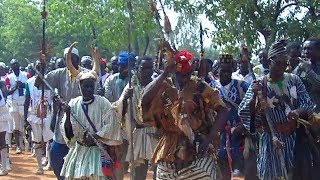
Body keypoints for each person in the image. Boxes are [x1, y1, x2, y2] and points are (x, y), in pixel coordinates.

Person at [141, 47, 229, 179]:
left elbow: (223, 111)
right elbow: (144, 100)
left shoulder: (200, 87)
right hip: (169, 150)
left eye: (187, 74)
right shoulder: (164, 87)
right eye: (180, 75)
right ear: (174, 72)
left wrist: (209, 138)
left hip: (197, 150)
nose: (184, 79)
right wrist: (164, 74)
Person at [239, 40, 314, 180]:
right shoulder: (259, 83)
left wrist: (297, 112)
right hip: (271, 140)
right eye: (277, 63)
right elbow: (245, 113)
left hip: (294, 139)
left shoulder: (294, 80)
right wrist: (254, 96)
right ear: (269, 61)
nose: (281, 67)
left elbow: (308, 104)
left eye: (284, 64)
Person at [60, 48, 122, 179]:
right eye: (85, 86)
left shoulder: (103, 103)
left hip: (97, 151)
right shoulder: (73, 104)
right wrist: (67, 116)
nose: (88, 89)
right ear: (80, 87)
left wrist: (96, 135)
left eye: (90, 86)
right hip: (79, 151)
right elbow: (70, 135)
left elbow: (111, 125)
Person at [34, 43, 88, 180]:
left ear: (78, 59)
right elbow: (38, 84)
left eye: (72, 58)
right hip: (64, 120)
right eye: (66, 58)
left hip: (84, 120)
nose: (69, 61)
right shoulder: (59, 73)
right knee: (56, 154)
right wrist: (42, 69)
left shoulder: (87, 74)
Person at [115, 56, 158, 180]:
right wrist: (125, 99)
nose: (148, 71)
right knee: (138, 171)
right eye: (144, 68)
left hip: (155, 132)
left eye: (150, 68)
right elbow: (118, 108)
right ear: (137, 68)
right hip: (138, 133)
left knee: (158, 169)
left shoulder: (157, 85)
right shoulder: (131, 86)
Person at [211, 54, 249, 179]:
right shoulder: (211, 87)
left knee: (241, 160)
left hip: (238, 131)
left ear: (232, 70)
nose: (226, 74)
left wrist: (244, 126)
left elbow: (253, 104)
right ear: (218, 71)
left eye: (228, 71)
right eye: (223, 71)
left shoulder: (242, 86)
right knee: (221, 162)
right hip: (219, 132)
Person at [103, 52, 136, 180]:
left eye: (128, 66)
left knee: (124, 160)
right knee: (111, 158)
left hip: (130, 127)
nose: (125, 69)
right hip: (113, 125)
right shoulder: (111, 80)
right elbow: (107, 103)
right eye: (122, 66)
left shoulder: (135, 81)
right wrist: (122, 101)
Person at [293, 38, 320, 179]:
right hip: (303, 120)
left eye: (309, 49)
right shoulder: (300, 67)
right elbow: (291, 84)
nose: (305, 52)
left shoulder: (309, 68)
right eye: (304, 49)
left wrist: (308, 70)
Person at [24, 60, 54, 175]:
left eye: (42, 67)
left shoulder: (51, 81)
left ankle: (50, 163)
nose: (39, 69)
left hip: (48, 115)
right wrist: (25, 120)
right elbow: (27, 101)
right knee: (36, 141)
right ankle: (39, 166)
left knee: (50, 140)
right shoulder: (29, 82)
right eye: (37, 67)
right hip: (34, 115)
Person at [5, 59, 31, 154]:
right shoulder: (9, 77)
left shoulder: (26, 75)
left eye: (16, 64)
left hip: (24, 102)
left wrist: (23, 85)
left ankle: (28, 144)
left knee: (26, 123)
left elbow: (31, 86)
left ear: (19, 65)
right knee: (16, 126)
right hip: (14, 102)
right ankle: (19, 146)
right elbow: (7, 91)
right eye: (13, 64)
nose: (15, 65)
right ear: (11, 66)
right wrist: (15, 86)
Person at [0, 78, 10, 176]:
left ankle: (4, 166)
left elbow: (5, 94)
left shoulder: (2, 82)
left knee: (2, 140)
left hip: (1, 112)